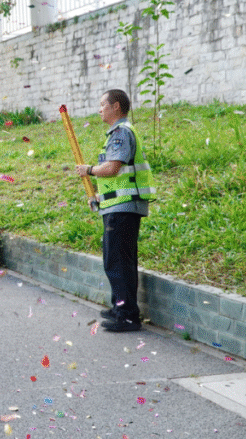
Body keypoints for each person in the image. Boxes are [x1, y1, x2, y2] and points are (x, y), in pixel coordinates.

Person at [75, 89, 155, 333]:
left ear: (116, 107)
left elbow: (112, 168)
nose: (100, 109)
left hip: (123, 209)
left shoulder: (121, 133)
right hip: (118, 205)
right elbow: (118, 178)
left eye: (103, 104)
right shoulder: (118, 133)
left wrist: (88, 170)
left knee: (117, 262)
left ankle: (127, 315)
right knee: (122, 261)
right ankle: (121, 307)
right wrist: (101, 196)